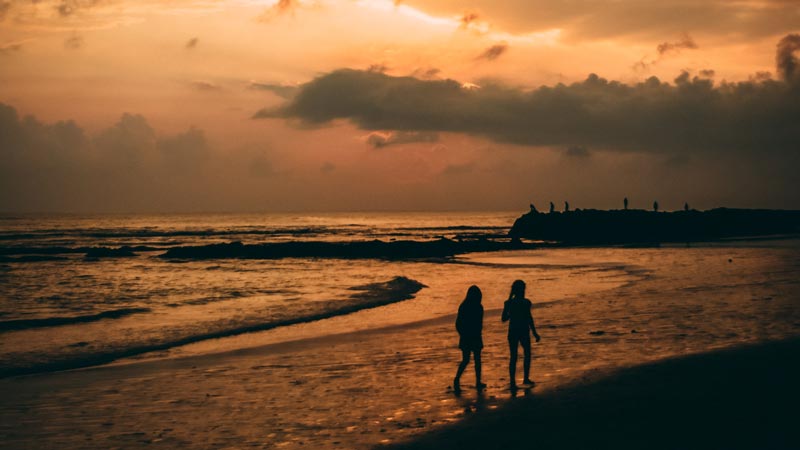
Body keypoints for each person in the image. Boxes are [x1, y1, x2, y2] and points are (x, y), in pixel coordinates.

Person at [502, 280, 540, 389]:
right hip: (523, 330)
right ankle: (525, 378)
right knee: (527, 354)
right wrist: (535, 333)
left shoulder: (508, 303)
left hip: (513, 331)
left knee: (513, 356)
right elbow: (529, 318)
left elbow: (504, 318)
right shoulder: (526, 302)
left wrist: (511, 313)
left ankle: (513, 381)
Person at [453, 285, 486, 393]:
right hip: (473, 336)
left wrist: (462, 334)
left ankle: (458, 379)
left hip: (468, 336)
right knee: (475, 360)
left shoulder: (464, 306)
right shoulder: (478, 307)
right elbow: (479, 324)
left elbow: (458, 323)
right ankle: (476, 381)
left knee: (467, 360)